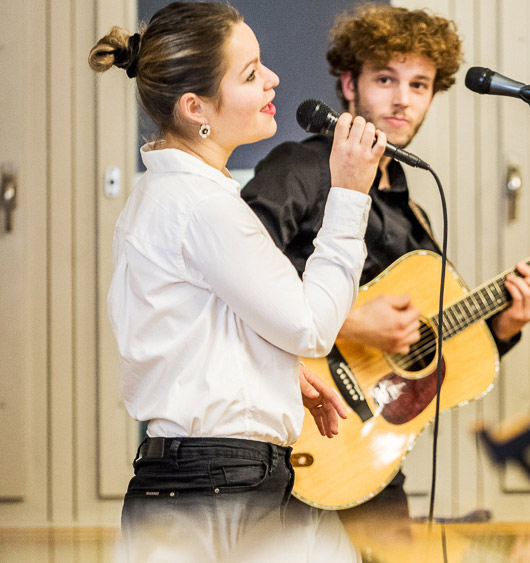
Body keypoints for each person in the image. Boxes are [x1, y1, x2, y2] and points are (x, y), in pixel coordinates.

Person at [240, 2, 530, 554]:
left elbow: (433, 361)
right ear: (348, 82)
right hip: (292, 426)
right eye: (385, 79)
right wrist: (350, 323)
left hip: (371, 450)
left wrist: (503, 327)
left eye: (420, 84)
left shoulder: (412, 213)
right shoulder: (302, 167)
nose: (402, 99)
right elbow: (239, 268)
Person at [89, 3, 385, 560]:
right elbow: (311, 326)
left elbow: (190, 323)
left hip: (203, 479)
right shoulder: (200, 204)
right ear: (195, 107)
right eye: (250, 74)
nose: (272, 79)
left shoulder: (173, 195)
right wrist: (348, 192)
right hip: (219, 485)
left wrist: (272, 371)